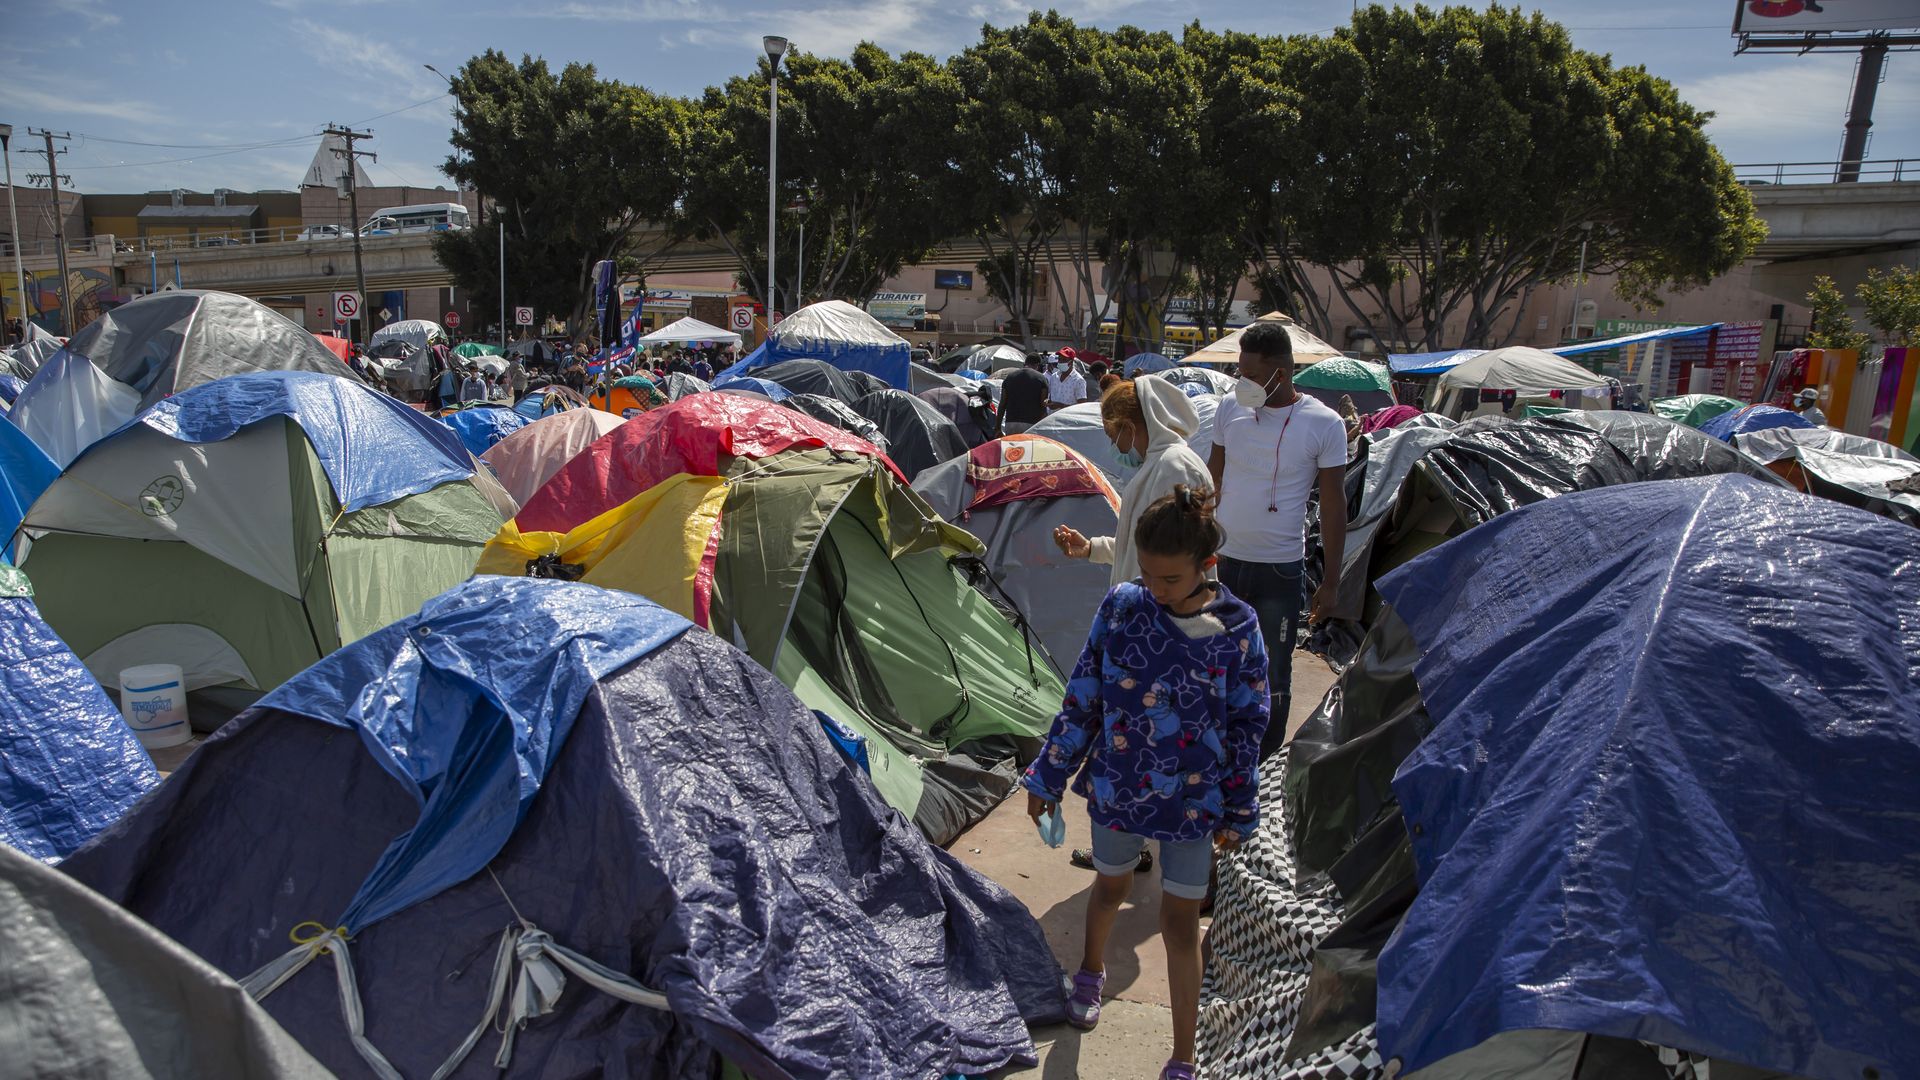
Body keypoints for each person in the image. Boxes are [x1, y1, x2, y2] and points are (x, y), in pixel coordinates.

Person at [1025, 485, 1270, 1080]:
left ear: (1206, 566)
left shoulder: (1237, 628)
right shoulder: (1122, 608)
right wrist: (1050, 774)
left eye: (1171, 580)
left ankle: (1184, 1052)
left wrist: (1239, 810)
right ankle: (1090, 972)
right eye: (1148, 576)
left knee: (1180, 926)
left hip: (1194, 802)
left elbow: (1247, 723)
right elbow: (1084, 696)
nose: (1156, 591)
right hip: (1119, 784)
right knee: (1107, 892)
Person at [1207, 320, 1348, 757]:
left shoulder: (1324, 424)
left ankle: (1259, 762)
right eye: (1239, 373)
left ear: (1280, 374)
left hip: (1280, 571)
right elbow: (1213, 478)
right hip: (1226, 564)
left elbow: (1333, 504)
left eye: (1250, 375)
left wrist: (1330, 581)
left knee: (1273, 672)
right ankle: (1217, 755)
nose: (1240, 383)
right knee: (1217, 664)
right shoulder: (1230, 409)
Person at [1000, 354, 1051, 434]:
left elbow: (1002, 404)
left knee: (1011, 446)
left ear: (1025, 363)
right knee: (1028, 447)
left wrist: (997, 427)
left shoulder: (1009, 377)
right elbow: (1043, 404)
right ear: (1037, 365)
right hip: (1031, 424)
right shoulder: (1041, 378)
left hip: (1010, 423)